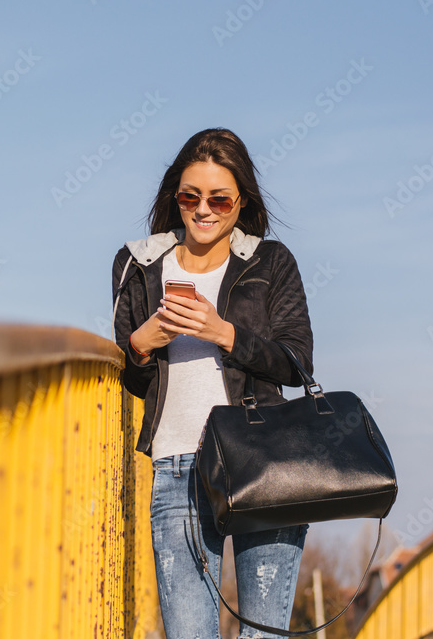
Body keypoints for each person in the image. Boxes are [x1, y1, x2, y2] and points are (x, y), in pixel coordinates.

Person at [111, 128, 313, 638]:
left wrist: (224, 334)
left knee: (263, 634)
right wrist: (142, 342)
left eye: (219, 198)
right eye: (190, 196)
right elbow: (134, 382)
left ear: (240, 201)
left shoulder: (271, 262)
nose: (204, 209)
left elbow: (297, 363)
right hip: (178, 466)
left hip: (262, 458)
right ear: (175, 197)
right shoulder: (137, 265)